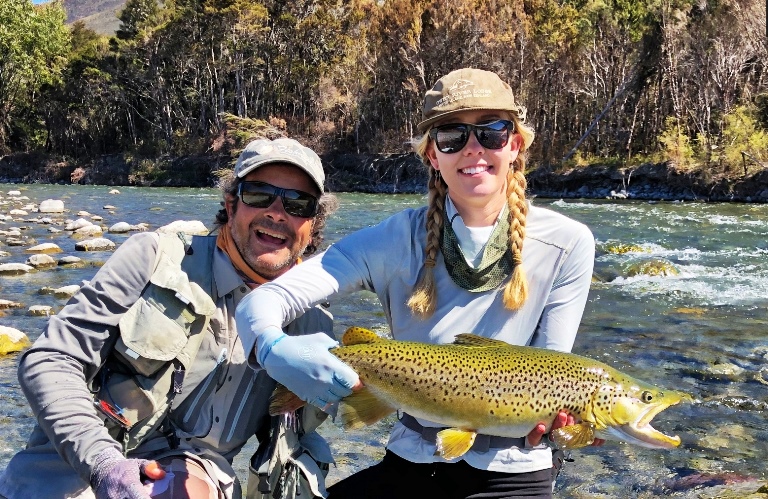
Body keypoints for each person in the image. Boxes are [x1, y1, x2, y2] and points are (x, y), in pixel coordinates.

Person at [235, 67, 598, 499]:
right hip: (413, 459)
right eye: (451, 136)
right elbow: (266, 301)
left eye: (492, 132)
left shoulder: (568, 242)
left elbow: (552, 375)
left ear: (515, 144)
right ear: (432, 155)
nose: (473, 149)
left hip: (514, 471)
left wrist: (569, 428)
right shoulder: (389, 240)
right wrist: (273, 347)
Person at [0, 137, 340, 499]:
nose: (276, 212)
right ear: (231, 203)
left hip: (197, 473)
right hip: (75, 469)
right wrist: (104, 464)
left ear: (312, 225)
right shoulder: (154, 257)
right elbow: (51, 359)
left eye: (297, 202)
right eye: (258, 194)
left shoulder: (312, 324)